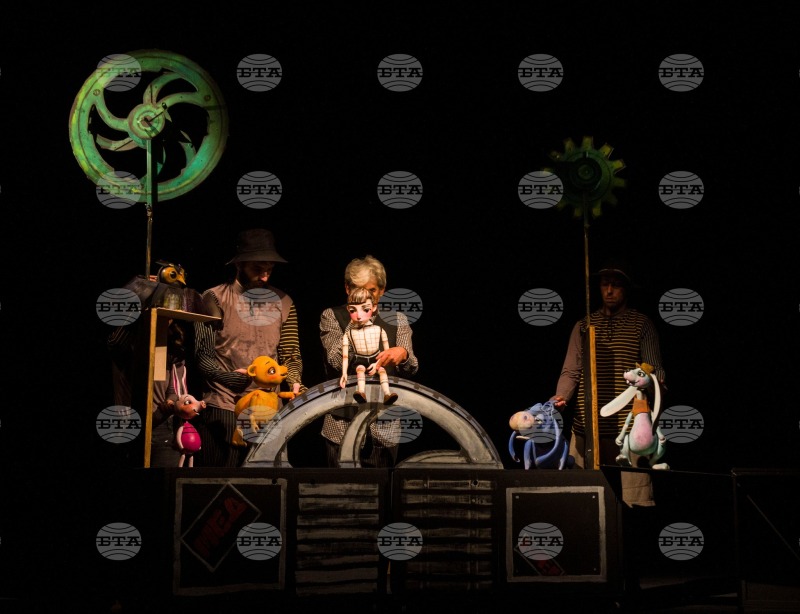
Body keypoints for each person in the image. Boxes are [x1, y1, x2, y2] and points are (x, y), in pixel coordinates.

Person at [551, 257, 666, 507]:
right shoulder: (584, 325)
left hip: (628, 430)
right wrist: (561, 397)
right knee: (584, 503)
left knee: (633, 502)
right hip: (587, 429)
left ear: (627, 288)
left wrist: (650, 382)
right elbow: (571, 370)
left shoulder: (641, 324)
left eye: (616, 285)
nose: (610, 290)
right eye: (605, 284)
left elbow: (655, 372)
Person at [193, 228, 306, 467]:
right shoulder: (213, 298)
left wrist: (295, 381)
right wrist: (228, 379)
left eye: (269, 270)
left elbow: (291, 355)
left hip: (268, 409)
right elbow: (203, 357)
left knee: (265, 483)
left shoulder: (284, 302)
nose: (264, 277)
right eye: (257, 269)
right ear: (239, 265)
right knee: (218, 482)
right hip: (225, 405)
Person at [320, 255, 419, 467]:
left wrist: (402, 354)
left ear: (382, 290)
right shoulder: (332, 316)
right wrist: (356, 326)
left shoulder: (398, 319)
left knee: (383, 485)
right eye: (358, 290)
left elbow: (411, 367)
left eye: (372, 291)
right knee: (339, 485)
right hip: (342, 424)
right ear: (347, 289)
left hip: (385, 426)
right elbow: (335, 360)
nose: (366, 297)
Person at [339, 286, 399, 405]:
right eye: (353, 310)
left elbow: (386, 353)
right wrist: (344, 373)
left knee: (382, 371)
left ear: (374, 307)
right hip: (360, 359)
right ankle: (361, 392)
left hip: (376, 358)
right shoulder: (348, 333)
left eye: (365, 309)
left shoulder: (379, 330)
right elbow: (345, 356)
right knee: (360, 370)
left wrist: (378, 363)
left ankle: (387, 394)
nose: (359, 315)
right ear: (348, 309)